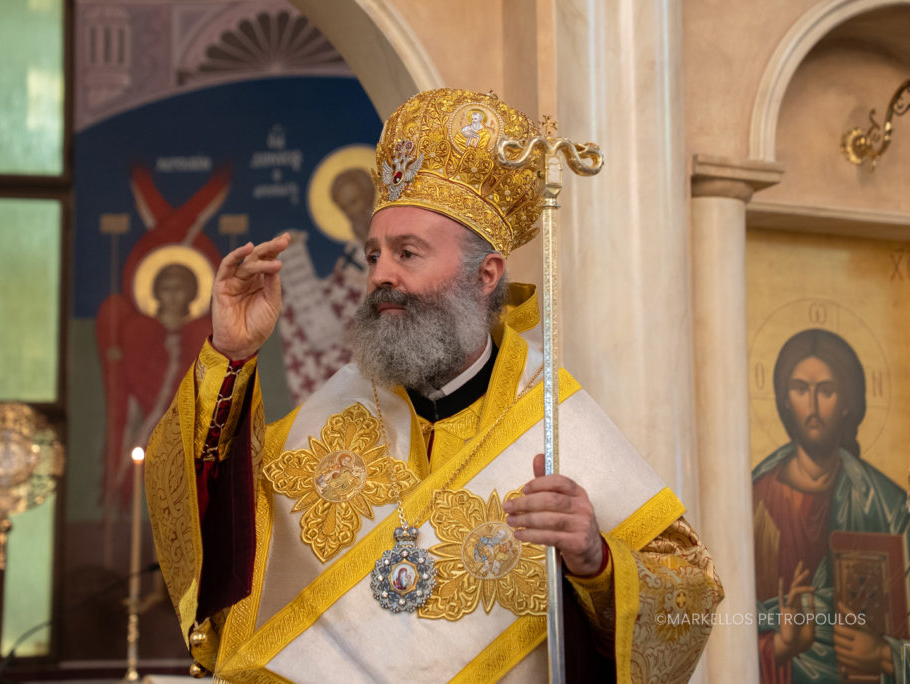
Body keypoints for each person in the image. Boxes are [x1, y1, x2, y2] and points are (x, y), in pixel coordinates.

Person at [146, 88, 723, 682]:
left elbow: (689, 597)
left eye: (407, 253)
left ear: (486, 274)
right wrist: (231, 357)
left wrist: (596, 563)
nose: (380, 276)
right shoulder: (335, 408)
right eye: (373, 255)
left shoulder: (554, 416)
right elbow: (213, 531)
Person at [752, 328, 909, 683]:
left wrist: (884, 655)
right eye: (800, 389)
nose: (813, 404)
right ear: (785, 399)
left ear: (847, 401)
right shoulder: (753, 500)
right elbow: (719, 629)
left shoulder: (887, 506)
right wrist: (781, 645)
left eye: (826, 390)